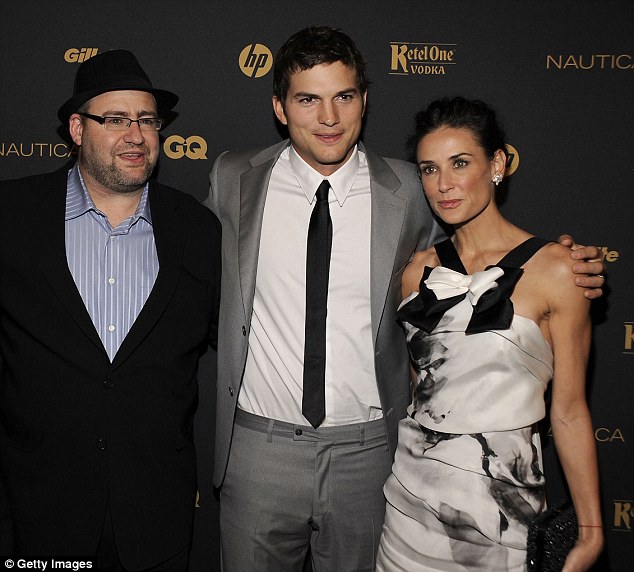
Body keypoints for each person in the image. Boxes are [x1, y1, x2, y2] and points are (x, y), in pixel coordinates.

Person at [206, 27, 604, 572]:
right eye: (307, 99)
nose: (328, 117)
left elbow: (483, 255)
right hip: (259, 450)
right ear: (279, 107)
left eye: (344, 96)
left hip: (372, 455)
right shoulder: (234, 179)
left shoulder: (412, 189)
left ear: (364, 101)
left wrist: (564, 263)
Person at [0, 50, 221, 571]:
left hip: (155, 514)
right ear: (77, 128)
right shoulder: (12, 216)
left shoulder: (196, 229)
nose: (136, 134)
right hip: (37, 511)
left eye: (147, 120)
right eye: (116, 119)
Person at [376, 97, 604, 572]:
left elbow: (568, 412)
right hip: (409, 504)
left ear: (497, 164)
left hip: (501, 512)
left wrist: (591, 530)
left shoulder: (560, 270)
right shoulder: (417, 271)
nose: (444, 184)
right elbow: (424, 390)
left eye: (460, 163)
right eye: (429, 169)